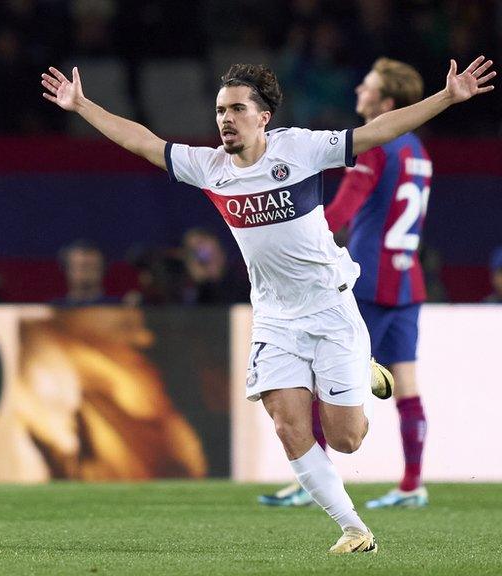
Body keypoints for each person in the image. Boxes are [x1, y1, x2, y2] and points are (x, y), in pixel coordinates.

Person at [41, 55, 494, 553]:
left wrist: (448, 97)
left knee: (347, 440)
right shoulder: (209, 166)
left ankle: (359, 370)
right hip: (276, 317)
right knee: (287, 424)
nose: (225, 119)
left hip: (330, 306)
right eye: (219, 110)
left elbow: (377, 132)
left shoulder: (300, 149)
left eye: (236, 109)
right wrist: (82, 106)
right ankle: (353, 528)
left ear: (263, 118)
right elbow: (143, 141)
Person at [260, 58, 434, 509]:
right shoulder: (417, 149)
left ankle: (310, 483)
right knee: (408, 385)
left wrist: (294, 237)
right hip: (408, 281)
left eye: (369, 85)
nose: (359, 87)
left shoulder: (376, 146)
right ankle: (413, 485)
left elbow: (340, 212)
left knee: (325, 379)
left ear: (387, 102)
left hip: (369, 278)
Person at [52, 240, 122, 306]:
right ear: (66, 269)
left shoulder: (119, 308)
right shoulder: (52, 311)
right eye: (81, 266)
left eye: (92, 266)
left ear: (103, 269)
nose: (86, 272)